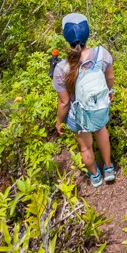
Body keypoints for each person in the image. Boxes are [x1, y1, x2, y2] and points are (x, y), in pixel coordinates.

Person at [53, 12, 116, 187]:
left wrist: (59, 121)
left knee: (85, 147)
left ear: (66, 37)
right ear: (87, 33)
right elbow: (110, 79)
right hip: (98, 106)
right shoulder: (102, 54)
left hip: (78, 115)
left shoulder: (61, 68)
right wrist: (110, 91)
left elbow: (64, 102)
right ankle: (109, 168)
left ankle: (95, 176)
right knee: (102, 132)